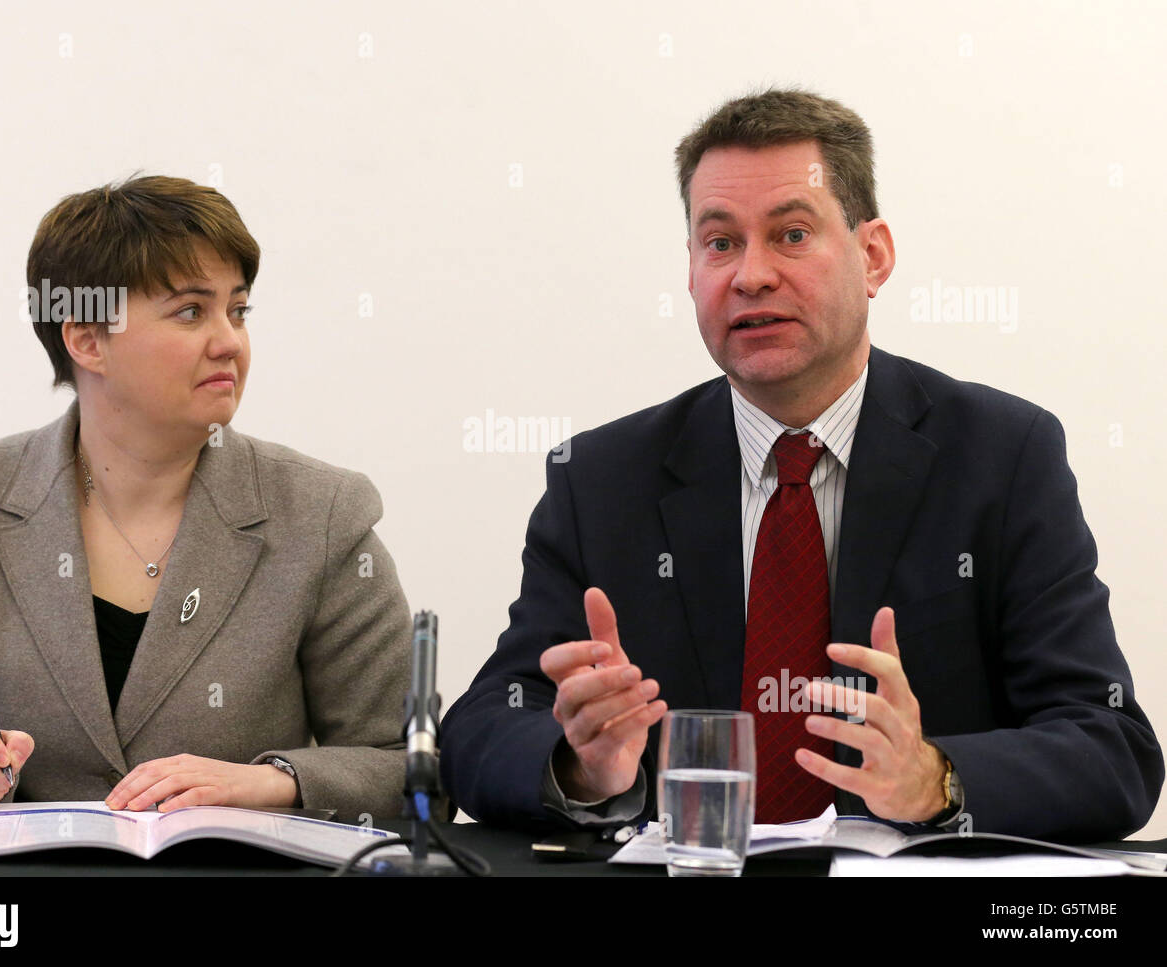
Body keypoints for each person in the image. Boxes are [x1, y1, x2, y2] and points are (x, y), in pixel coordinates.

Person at [439, 88, 1164, 842]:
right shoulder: (602, 478)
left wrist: (935, 777)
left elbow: (1111, 747)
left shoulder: (1003, 457)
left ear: (873, 255)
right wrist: (582, 766)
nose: (750, 275)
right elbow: (480, 728)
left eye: (790, 234)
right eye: (719, 243)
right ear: (690, 269)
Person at [0, 175, 413, 822]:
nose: (229, 341)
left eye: (237, 310)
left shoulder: (324, 512)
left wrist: (271, 781)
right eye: (191, 311)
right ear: (87, 340)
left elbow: (406, 760)